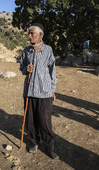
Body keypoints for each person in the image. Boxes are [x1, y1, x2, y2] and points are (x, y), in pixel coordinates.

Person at [19, 23, 58, 159]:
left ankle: (50, 147)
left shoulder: (48, 50)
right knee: (30, 121)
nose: (29, 36)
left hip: (44, 91)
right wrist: (26, 70)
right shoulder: (26, 51)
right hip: (29, 91)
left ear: (40, 35)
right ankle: (33, 142)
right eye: (29, 33)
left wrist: (52, 90)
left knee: (45, 121)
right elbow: (22, 67)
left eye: (32, 34)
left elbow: (52, 71)